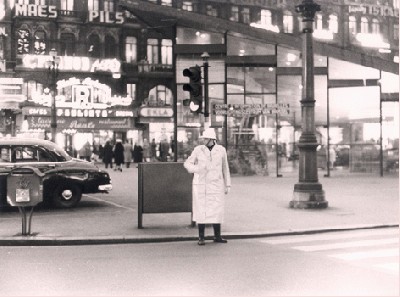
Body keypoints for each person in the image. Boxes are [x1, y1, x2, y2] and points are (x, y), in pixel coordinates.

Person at [184, 128, 231, 246]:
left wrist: (227, 184)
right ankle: (201, 237)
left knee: (217, 210)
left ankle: (217, 236)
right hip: (202, 185)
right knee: (202, 210)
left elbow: (225, 168)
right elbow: (187, 163)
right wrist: (197, 169)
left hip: (216, 185)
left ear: (211, 139)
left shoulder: (221, 150)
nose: (203, 140)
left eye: (205, 138)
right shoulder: (198, 150)